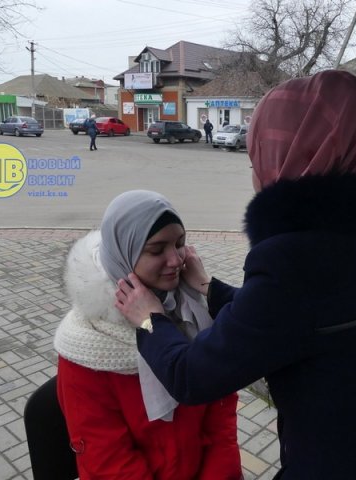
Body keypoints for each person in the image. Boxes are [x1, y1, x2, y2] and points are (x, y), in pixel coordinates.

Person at [116, 70, 356, 479]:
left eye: (258, 157)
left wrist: (149, 319)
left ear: (289, 158)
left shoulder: (292, 262)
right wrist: (208, 287)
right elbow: (292, 323)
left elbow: (191, 376)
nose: (255, 172)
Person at [54, 190, 242, 480]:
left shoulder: (194, 313)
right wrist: (154, 323)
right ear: (123, 256)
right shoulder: (87, 345)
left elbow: (221, 416)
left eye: (180, 243)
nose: (176, 260)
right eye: (157, 250)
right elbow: (109, 463)